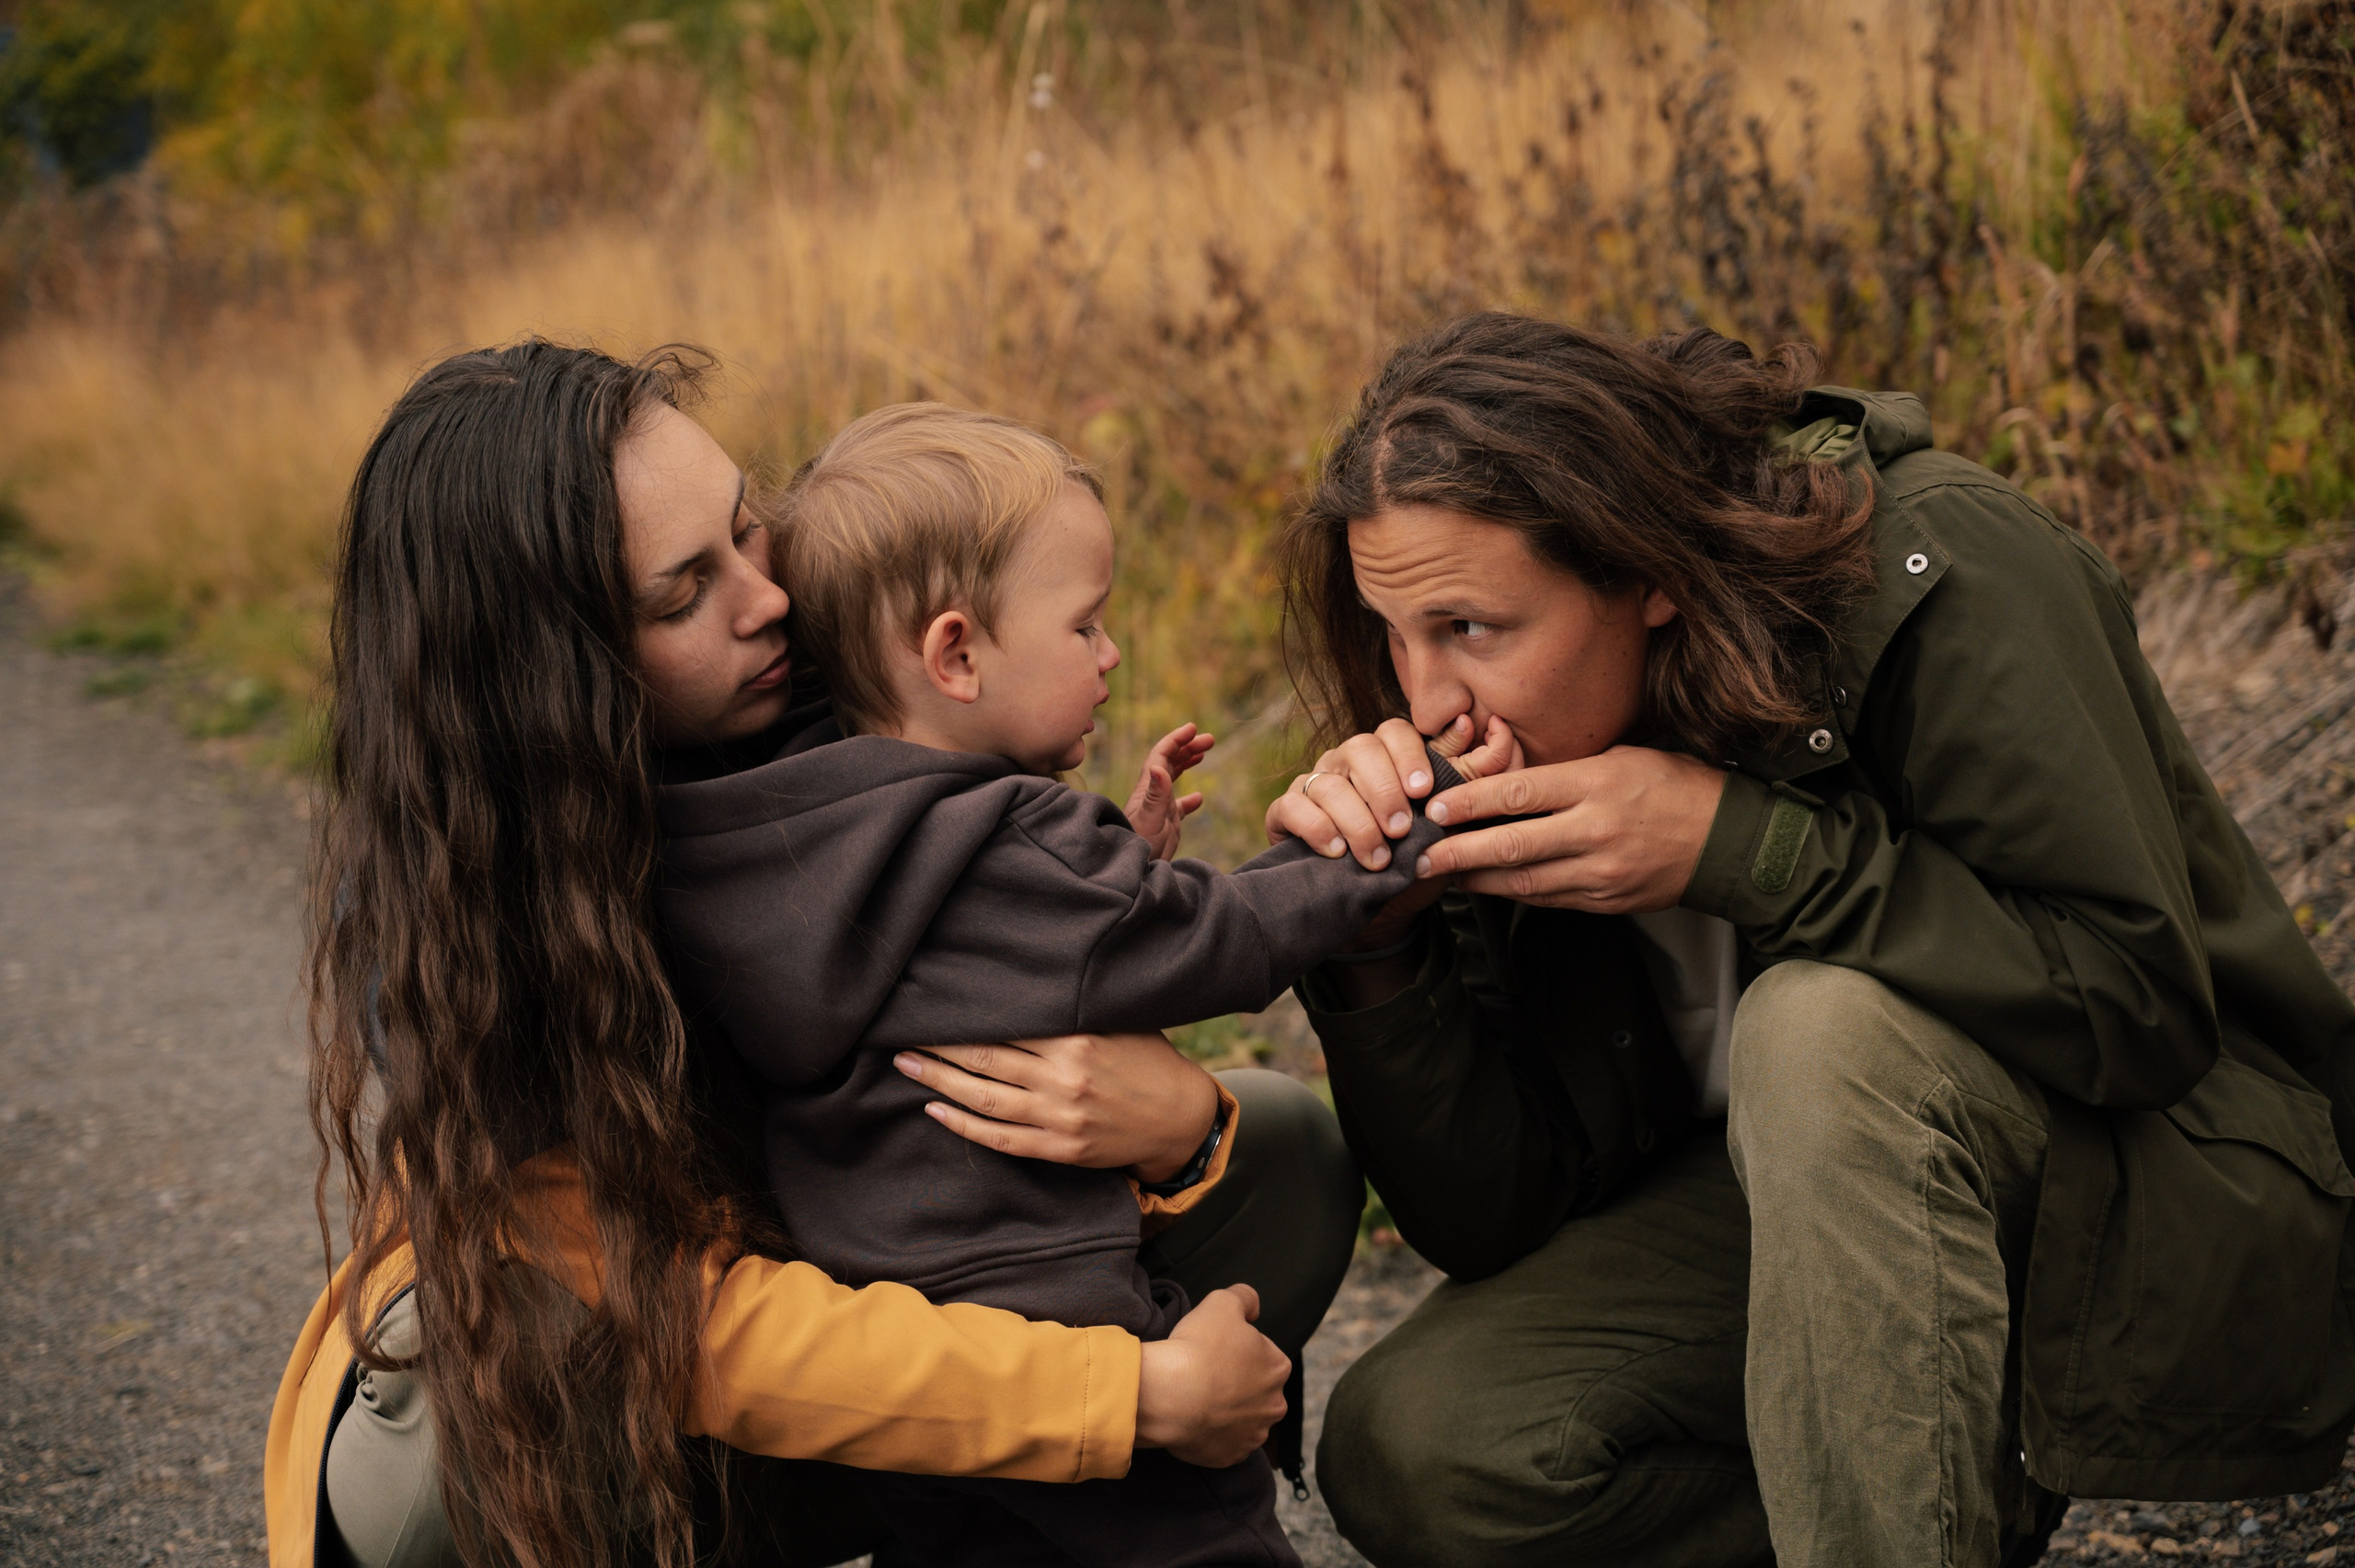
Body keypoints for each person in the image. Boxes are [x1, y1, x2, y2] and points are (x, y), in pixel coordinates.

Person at [1261, 313, 2355, 1568]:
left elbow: (2140, 1005)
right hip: (1805, 1227)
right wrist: (1382, 947)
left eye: (1470, 628)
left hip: (2170, 1180)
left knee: (1817, 1029)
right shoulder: (1520, 737)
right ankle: (1927, 1499)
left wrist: (1740, 847)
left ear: (1647, 571)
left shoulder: (1948, 566)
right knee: (1430, 1444)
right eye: (1395, 638)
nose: (1426, 702)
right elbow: (1495, 1217)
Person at [267, 340, 1361, 1568]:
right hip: (641, 1383)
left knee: (1277, 1145)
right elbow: (710, 1334)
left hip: (863, 1274)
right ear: (550, 673)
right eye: (685, 593)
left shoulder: (804, 700)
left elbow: (1009, 970)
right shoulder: (483, 927)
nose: (766, 600)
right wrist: (1132, 1398)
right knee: (466, 1448)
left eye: (750, 530)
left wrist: (1177, 1129)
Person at [657, 403, 1481, 1566]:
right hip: (1056, 1304)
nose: (1108, 656)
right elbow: (1226, 943)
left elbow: (985, 965)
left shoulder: (767, 843)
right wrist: (1390, 835)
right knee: (1199, 1534)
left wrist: (1113, 874)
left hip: (894, 1336)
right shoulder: (1004, 835)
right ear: (955, 655)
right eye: (1085, 627)